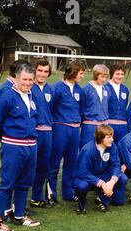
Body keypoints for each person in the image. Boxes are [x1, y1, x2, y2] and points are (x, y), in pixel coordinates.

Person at [0, 63, 40, 231]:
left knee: (24, 183)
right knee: (7, 184)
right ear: (16, 78)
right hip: (13, 146)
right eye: (24, 79)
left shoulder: (32, 95)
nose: (28, 83)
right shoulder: (7, 96)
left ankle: (19, 215)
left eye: (30, 79)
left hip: (31, 147)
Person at [47, 60, 85, 205]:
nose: (82, 76)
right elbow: (50, 109)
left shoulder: (78, 89)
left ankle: (68, 193)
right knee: (54, 162)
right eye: (80, 73)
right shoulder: (56, 88)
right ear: (73, 73)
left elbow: (80, 109)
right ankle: (51, 194)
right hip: (60, 128)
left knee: (71, 162)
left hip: (75, 130)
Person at [73, 125, 127, 214]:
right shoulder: (88, 150)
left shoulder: (112, 146)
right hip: (87, 177)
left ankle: (102, 200)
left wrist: (111, 182)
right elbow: (83, 172)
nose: (112, 140)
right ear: (100, 138)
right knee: (82, 186)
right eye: (108, 137)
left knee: (122, 179)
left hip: (103, 174)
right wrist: (101, 183)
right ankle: (81, 204)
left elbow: (116, 165)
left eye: (112, 137)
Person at [30, 59, 55, 208]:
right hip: (33, 133)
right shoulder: (28, 87)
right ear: (34, 71)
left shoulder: (50, 89)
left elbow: (51, 110)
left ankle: (36, 197)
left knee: (43, 166)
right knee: (28, 166)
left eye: (45, 71)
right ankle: (15, 201)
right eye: (39, 70)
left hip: (47, 133)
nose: (42, 74)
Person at [79, 64, 110, 150]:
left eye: (106, 77)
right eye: (102, 76)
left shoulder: (106, 89)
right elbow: (81, 108)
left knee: (101, 151)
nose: (104, 79)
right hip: (90, 125)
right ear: (96, 75)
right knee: (87, 150)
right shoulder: (85, 89)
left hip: (103, 125)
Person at [105, 64, 130, 144]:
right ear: (112, 74)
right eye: (117, 74)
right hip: (109, 124)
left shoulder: (125, 89)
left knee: (121, 150)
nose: (120, 77)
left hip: (122, 126)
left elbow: (124, 105)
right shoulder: (105, 87)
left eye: (122, 74)